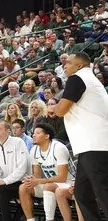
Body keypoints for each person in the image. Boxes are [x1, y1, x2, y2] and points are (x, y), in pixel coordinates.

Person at [55, 52, 108, 220]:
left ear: (79, 66)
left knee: (103, 192)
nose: (64, 65)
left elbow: (61, 110)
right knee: (82, 193)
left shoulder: (78, 78)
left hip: (95, 144)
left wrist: (52, 108)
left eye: (68, 62)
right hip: (90, 145)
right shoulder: (92, 81)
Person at [19, 123, 74, 221]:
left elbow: (62, 177)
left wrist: (39, 181)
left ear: (47, 136)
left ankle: (49, 219)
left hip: (68, 183)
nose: (33, 135)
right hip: (49, 183)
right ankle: (30, 220)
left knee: (48, 186)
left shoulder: (58, 148)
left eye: (38, 133)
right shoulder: (34, 150)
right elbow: (37, 174)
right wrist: (32, 178)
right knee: (24, 187)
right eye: (33, 133)